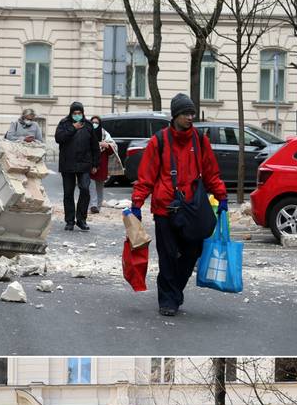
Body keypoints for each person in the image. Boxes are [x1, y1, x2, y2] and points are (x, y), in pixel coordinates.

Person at [130, 92, 228, 317]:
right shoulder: (160, 141)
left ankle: (175, 290)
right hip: (165, 208)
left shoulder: (200, 141)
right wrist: (137, 203)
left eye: (192, 113)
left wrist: (221, 197)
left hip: (192, 208)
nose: (190, 117)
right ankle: (168, 299)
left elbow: (212, 173)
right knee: (167, 255)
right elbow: (146, 176)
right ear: (175, 115)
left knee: (192, 251)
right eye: (185, 113)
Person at [55, 101, 100, 232]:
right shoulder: (64, 123)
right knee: (68, 193)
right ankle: (69, 221)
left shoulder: (88, 125)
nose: (77, 115)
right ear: (71, 113)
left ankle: (81, 219)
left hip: (84, 163)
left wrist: (95, 163)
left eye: (79, 113)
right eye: (74, 113)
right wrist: (73, 128)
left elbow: (94, 146)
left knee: (85, 190)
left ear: (82, 113)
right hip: (67, 164)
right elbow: (59, 138)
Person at [88, 115, 114, 214]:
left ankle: (98, 206)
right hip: (90, 164)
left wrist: (106, 145)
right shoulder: (88, 133)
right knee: (91, 186)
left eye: (97, 123)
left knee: (99, 187)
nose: (94, 124)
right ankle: (93, 205)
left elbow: (112, 149)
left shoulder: (105, 135)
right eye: (93, 122)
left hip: (102, 165)